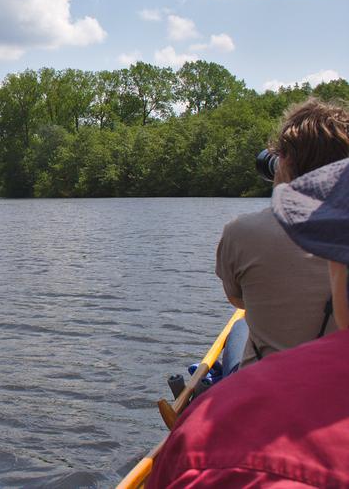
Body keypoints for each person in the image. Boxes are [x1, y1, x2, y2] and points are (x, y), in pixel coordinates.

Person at [147, 157, 349, 487]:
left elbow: (238, 302)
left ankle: (209, 385)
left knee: (239, 326)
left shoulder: (211, 431)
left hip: (254, 387)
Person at [216, 98, 349, 373]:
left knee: (240, 326)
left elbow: (238, 301)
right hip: (337, 382)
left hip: (266, 384)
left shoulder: (241, 231)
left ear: (284, 163)